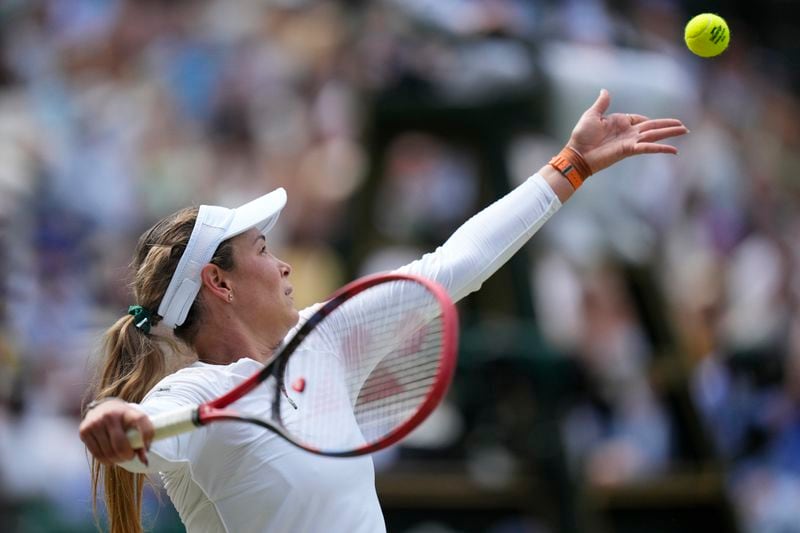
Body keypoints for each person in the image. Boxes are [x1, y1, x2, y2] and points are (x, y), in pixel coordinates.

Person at [79, 89, 688, 533]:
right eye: (263, 251)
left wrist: (570, 166)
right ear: (220, 283)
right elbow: (141, 426)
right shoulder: (194, 391)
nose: (285, 265)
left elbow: (455, 265)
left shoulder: (325, 335)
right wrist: (113, 420)